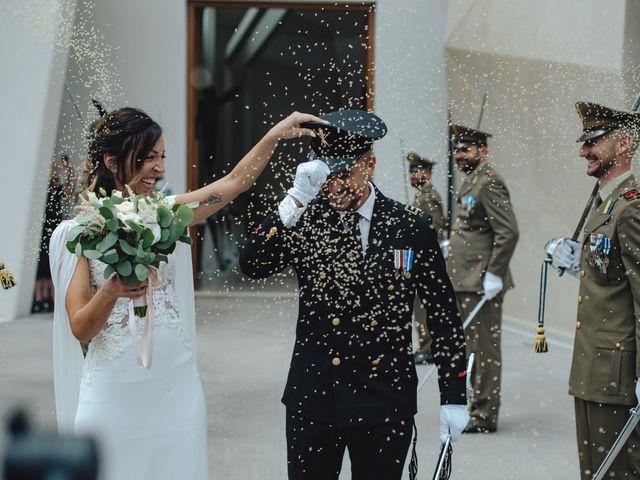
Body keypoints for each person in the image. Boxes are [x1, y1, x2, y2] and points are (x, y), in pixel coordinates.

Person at [49, 107, 322, 480]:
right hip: (112, 392)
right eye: (147, 158)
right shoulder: (80, 233)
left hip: (175, 388)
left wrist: (274, 133)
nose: (159, 169)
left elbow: (235, 181)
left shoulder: (166, 213)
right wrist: (112, 289)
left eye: (162, 157)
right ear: (112, 161)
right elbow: (80, 327)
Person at [239, 109, 469, 480]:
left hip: (384, 401)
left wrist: (454, 393)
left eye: (344, 174)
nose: (334, 187)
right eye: (325, 176)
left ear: (370, 165)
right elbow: (252, 263)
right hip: (315, 399)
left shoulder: (409, 226)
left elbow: (443, 315)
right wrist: (295, 198)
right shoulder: (306, 218)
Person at [550, 102, 640, 479]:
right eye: (584, 142)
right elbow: (609, 280)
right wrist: (576, 264)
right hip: (592, 368)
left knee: (617, 471)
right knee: (594, 471)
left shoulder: (630, 209)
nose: (583, 151)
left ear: (624, 145)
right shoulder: (605, 206)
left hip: (617, 371)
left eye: (594, 141)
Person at [446, 124, 519, 434]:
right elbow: (473, 228)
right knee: (469, 348)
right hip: (466, 279)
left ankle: (485, 415)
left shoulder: (488, 183)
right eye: (458, 149)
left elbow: (508, 231)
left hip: (481, 282)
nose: (460, 154)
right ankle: (475, 406)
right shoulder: (472, 182)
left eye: (467, 149)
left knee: (483, 350)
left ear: (483, 150)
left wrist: (494, 274)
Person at [406, 151, 447, 365]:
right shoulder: (422, 194)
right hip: (420, 259)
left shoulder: (429, 196)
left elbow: (437, 227)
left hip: (426, 260)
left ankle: (428, 348)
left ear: (428, 174)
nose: (412, 175)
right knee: (419, 306)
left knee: (423, 307)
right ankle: (425, 345)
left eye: (416, 171)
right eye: (411, 171)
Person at [33, 155, 75, 313]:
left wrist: (70, 169)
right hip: (45, 227)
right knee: (42, 263)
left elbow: (69, 192)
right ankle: (39, 298)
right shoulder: (45, 187)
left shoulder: (58, 189)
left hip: (55, 226)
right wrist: (57, 169)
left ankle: (49, 298)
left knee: (51, 262)